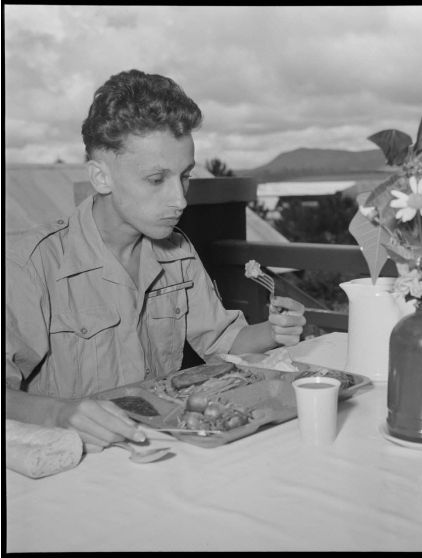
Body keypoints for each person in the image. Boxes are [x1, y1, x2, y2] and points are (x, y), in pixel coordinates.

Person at [6, 69, 306, 452]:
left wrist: (275, 330)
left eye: (184, 177)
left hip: (160, 454)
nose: (179, 199)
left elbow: (224, 342)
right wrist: (59, 414)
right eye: (155, 179)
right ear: (101, 177)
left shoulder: (177, 251)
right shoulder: (29, 265)